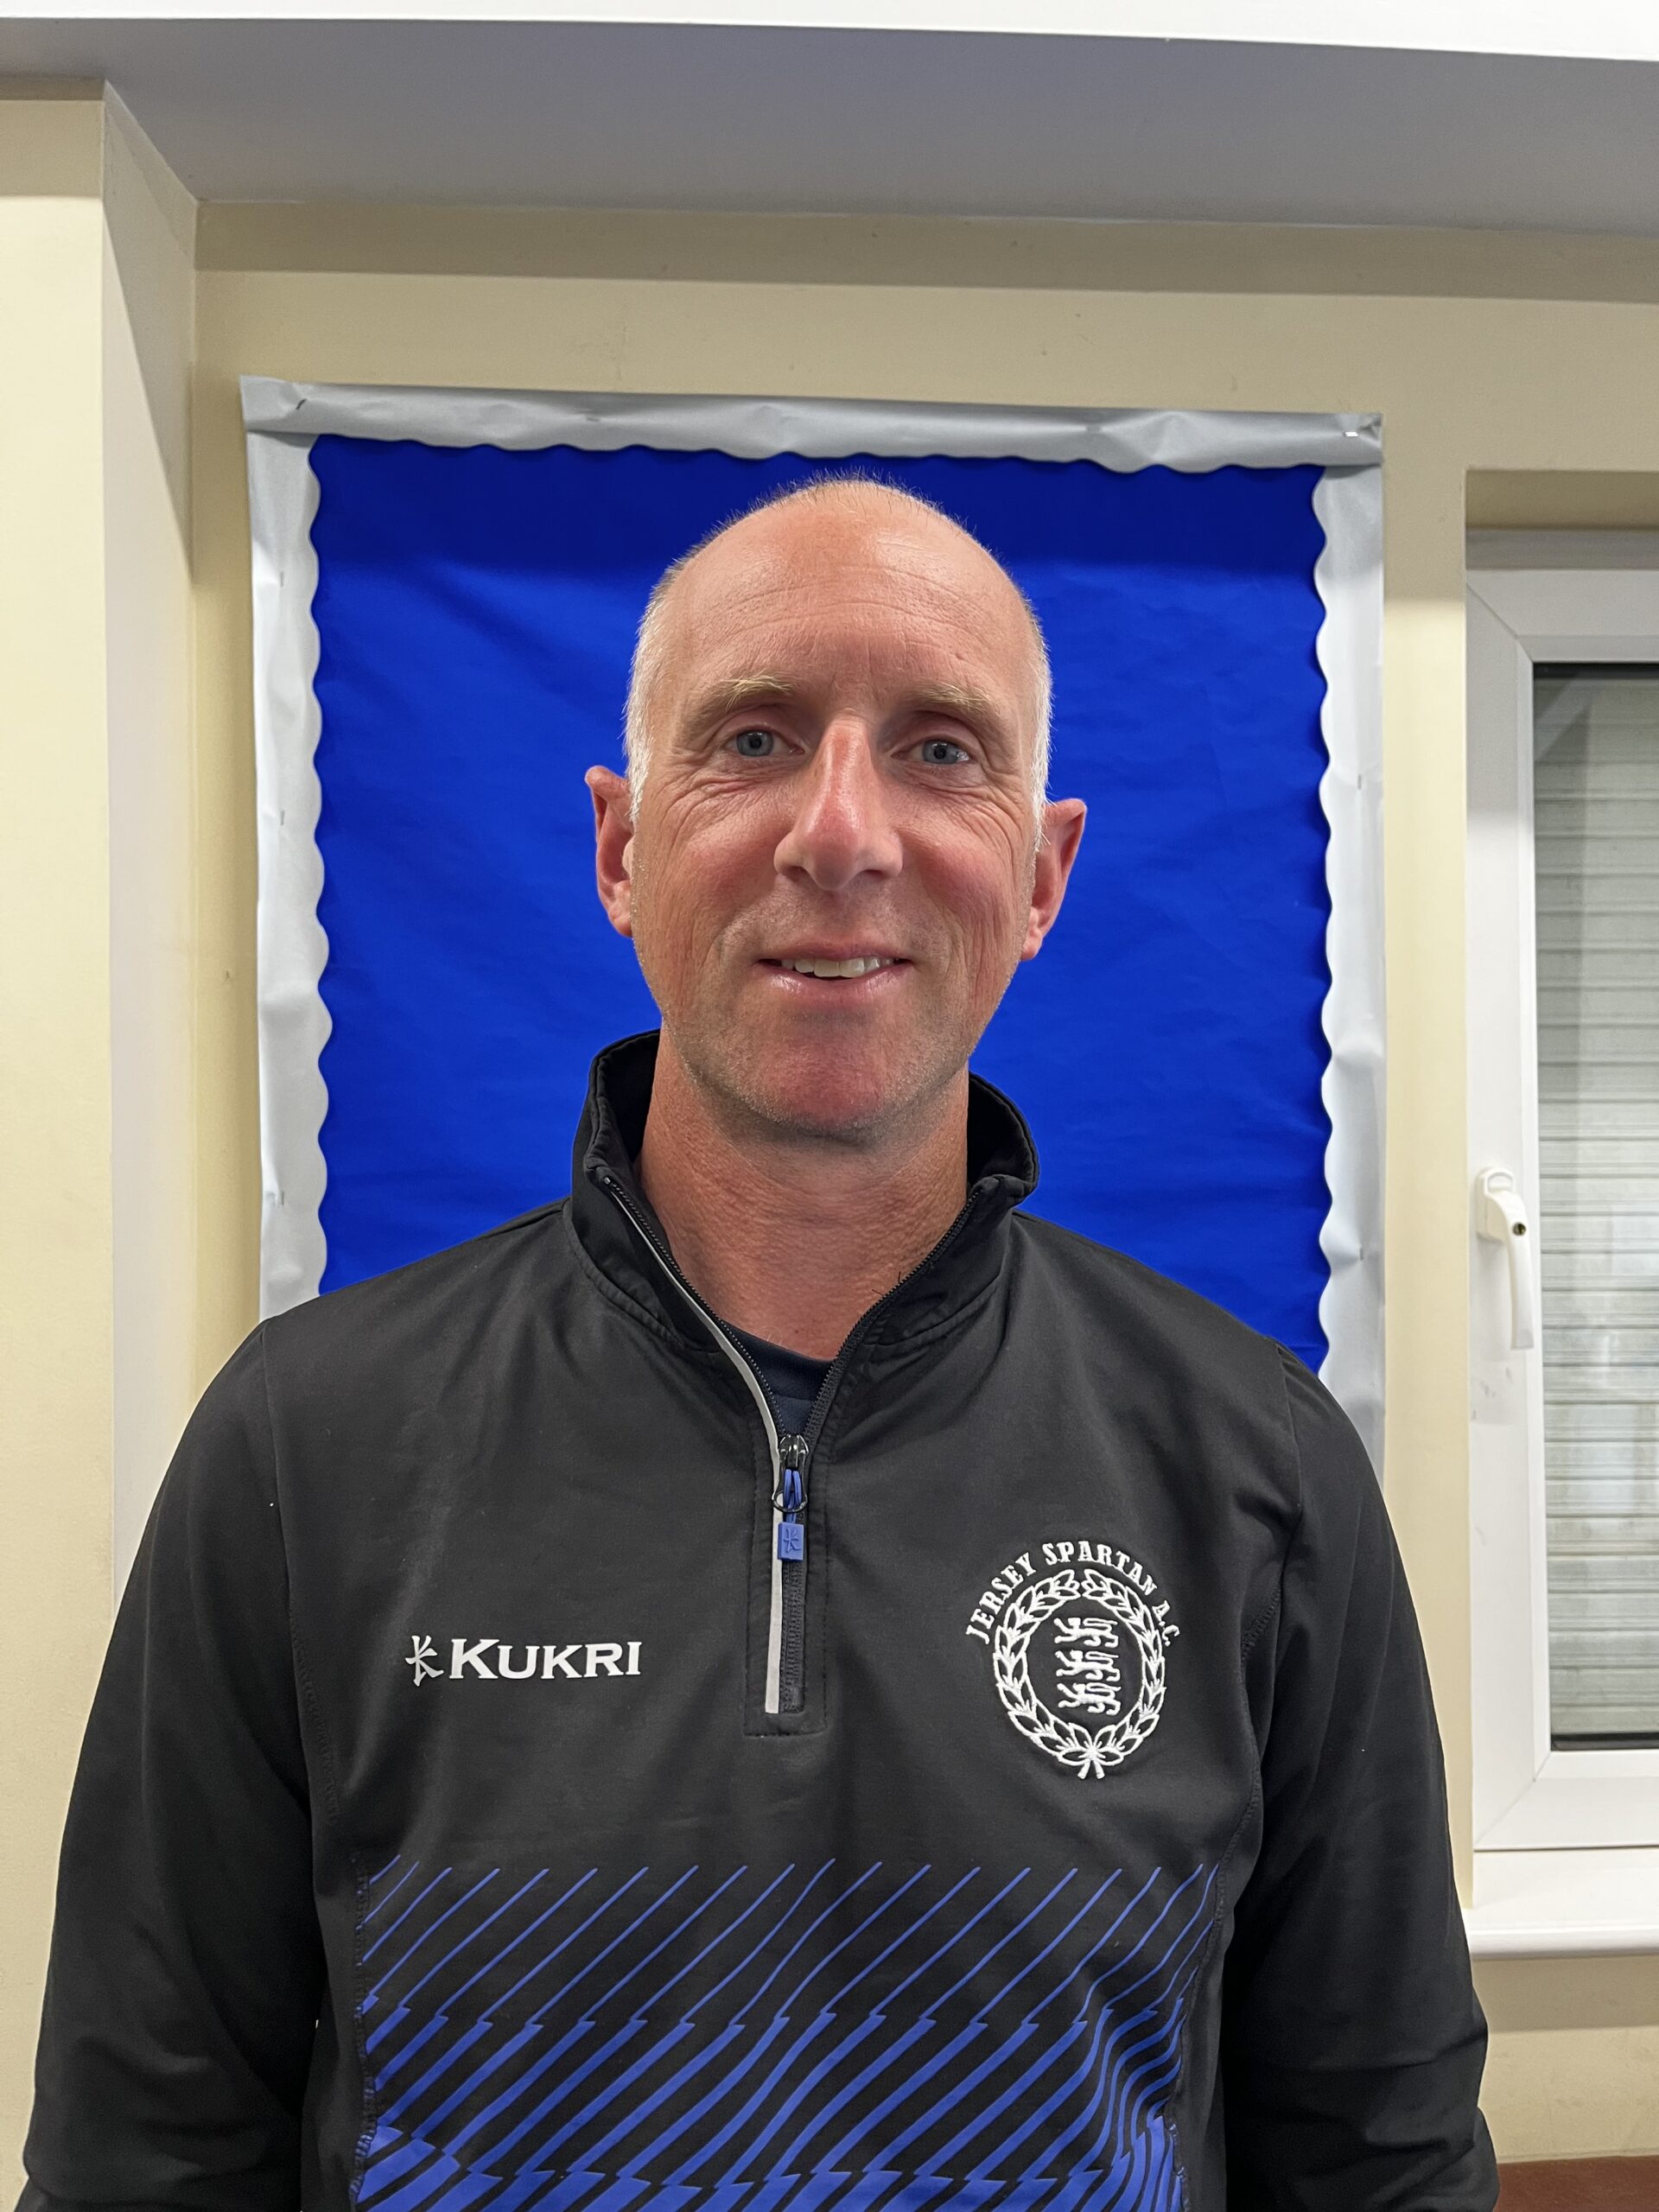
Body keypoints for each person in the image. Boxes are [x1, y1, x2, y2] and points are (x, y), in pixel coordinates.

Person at [19, 477, 1498, 2212]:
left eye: (940, 748)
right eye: (753, 738)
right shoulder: (305, 1445)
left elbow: (1381, 2161)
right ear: (621, 848)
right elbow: (147, 2153)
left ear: (1041, 875)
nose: (843, 832)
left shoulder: (1260, 1466)